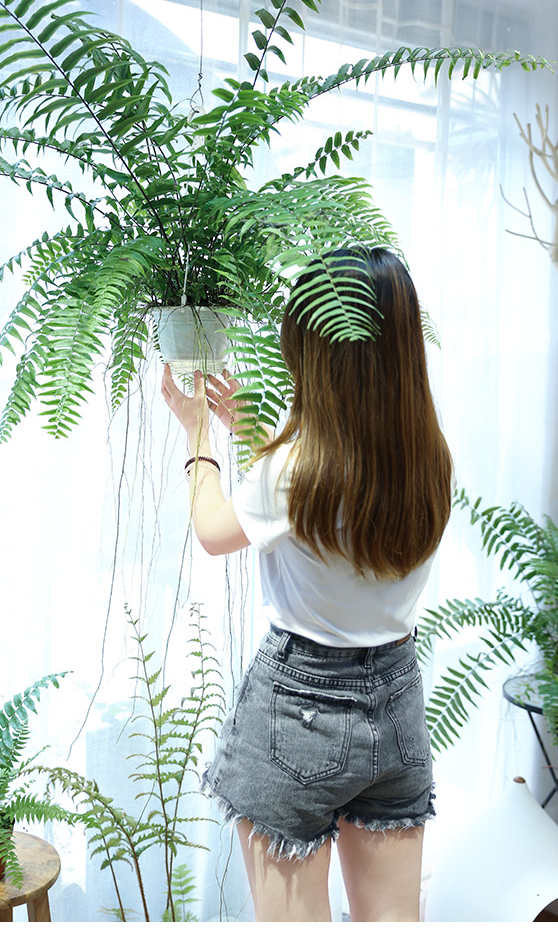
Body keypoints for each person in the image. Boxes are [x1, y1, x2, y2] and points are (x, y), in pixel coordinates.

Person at [160, 247, 453, 922]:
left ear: (317, 349)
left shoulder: (293, 469)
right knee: (394, 929)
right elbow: (338, 503)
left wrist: (200, 432)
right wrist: (260, 435)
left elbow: (213, 529)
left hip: (299, 711)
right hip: (397, 712)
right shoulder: (429, 458)